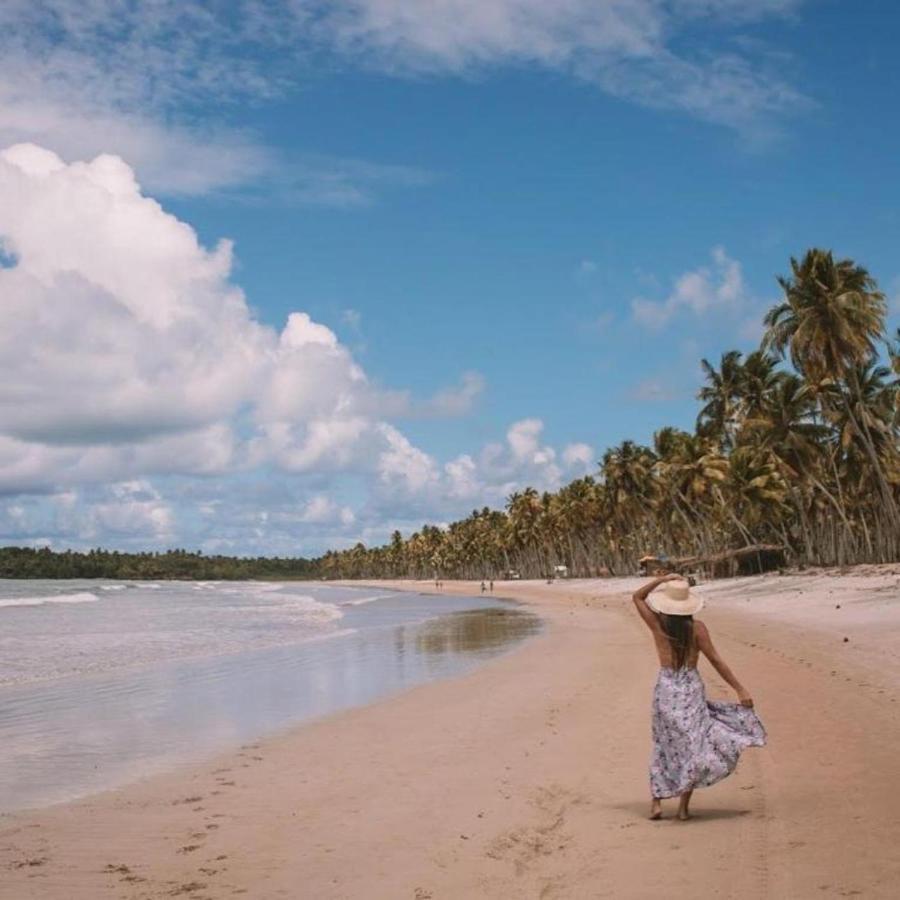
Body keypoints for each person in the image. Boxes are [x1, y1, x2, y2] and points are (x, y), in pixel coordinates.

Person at [632, 573, 766, 821]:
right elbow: (716, 660)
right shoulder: (697, 629)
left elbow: (637, 597)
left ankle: (656, 803)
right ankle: (683, 808)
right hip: (690, 689)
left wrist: (662, 579)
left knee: (664, 745)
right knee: (693, 745)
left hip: (666, 689)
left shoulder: (658, 626)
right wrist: (740, 688)